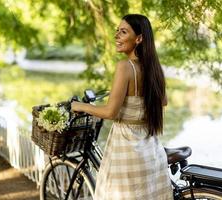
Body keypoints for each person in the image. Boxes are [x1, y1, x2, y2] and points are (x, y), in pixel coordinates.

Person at [71, 14, 173, 200]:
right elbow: (163, 101)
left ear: (139, 38)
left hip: (127, 148)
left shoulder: (125, 67)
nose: (117, 35)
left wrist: (81, 106)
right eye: (117, 31)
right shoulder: (154, 67)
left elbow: (110, 112)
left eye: (123, 32)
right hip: (150, 148)